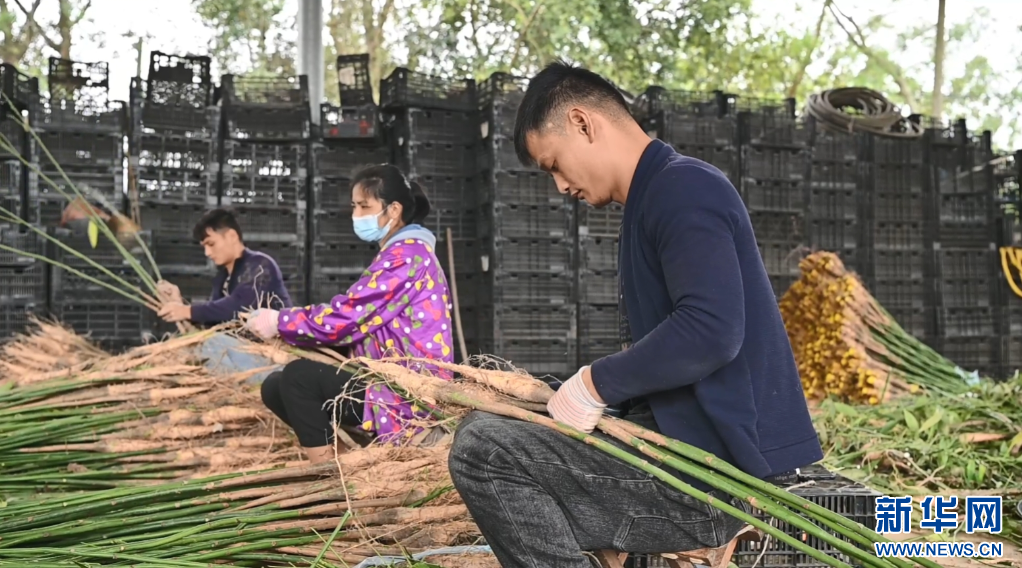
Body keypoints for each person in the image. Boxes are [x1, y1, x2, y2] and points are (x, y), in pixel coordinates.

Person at [446, 61, 823, 567]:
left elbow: (711, 330)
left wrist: (596, 384)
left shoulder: (684, 189)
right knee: (492, 426)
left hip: (713, 481)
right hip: (682, 455)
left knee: (484, 451)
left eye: (554, 164)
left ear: (582, 123)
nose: (559, 187)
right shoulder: (653, 199)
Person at [244, 164, 455, 464]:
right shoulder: (399, 253)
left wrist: (281, 321)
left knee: (298, 379)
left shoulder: (409, 255)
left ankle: (333, 481)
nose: (357, 214)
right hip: (381, 379)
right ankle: (350, 466)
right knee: (275, 387)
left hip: (408, 395)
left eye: (364, 206)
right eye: (354, 206)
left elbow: (349, 315)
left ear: (393, 210)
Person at [156, 208, 294, 325]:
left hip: (274, 350)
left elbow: (240, 307)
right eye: (204, 247)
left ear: (232, 236)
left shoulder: (261, 266)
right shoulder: (223, 277)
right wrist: (178, 303)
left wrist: (186, 311)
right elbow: (215, 319)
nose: (207, 253)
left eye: (211, 244)